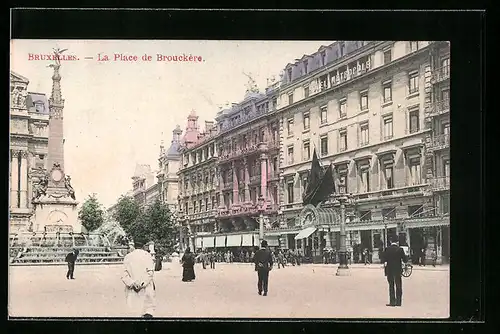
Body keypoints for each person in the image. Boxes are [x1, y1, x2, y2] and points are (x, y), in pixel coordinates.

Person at [121, 238, 156, 318]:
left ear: (134, 246)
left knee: (133, 312)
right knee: (147, 311)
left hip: (132, 289)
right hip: (145, 288)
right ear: (143, 246)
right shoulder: (147, 256)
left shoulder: (128, 257)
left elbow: (124, 274)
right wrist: (142, 283)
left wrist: (132, 283)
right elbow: (150, 272)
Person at [383, 240, 409, 307]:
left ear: (391, 241)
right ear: (397, 241)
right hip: (398, 270)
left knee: (391, 286)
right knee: (398, 285)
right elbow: (405, 260)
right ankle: (398, 302)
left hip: (390, 270)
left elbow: (384, 259)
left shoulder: (387, 249)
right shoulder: (400, 249)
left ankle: (392, 302)